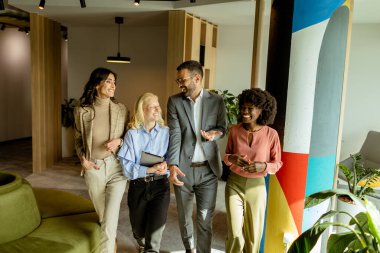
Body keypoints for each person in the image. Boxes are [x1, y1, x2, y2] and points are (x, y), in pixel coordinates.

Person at [167, 60, 227, 253]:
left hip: (208, 171)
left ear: (197, 78)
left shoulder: (217, 101)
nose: (179, 84)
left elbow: (222, 128)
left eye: (182, 80)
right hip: (183, 170)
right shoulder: (174, 101)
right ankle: (189, 249)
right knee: (184, 218)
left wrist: (215, 134)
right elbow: (175, 135)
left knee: (204, 219)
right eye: (178, 81)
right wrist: (172, 164)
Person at [74, 67, 127, 253]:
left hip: (117, 167)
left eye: (114, 82)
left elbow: (130, 137)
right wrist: (83, 160)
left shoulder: (121, 109)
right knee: (105, 216)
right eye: (109, 81)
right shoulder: (82, 111)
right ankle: (111, 242)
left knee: (110, 217)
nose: (113, 85)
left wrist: (120, 141)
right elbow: (78, 139)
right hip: (93, 166)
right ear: (97, 85)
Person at [223, 88, 283, 253]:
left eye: (250, 108)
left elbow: (277, 164)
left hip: (257, 187)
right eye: (243, 107)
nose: (245, 111)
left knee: (253, 237)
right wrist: (231, 158)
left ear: (261, 110)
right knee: (234, 233)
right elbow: (226, 156)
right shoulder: (234, 130)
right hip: (234, 183)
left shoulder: (271, 134)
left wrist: (263, 166)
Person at [117, 92, 170, 253]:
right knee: (139, 230)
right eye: (153, 106)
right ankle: (141, 241)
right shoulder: (132, 134)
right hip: (138, 186)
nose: (158, 109)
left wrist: (166, 165)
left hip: (161, 186)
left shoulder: (166, 132)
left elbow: (172, 157)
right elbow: (126, 168)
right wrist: (149, 169)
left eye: (158, 106)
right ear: (142, 110)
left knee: (154, 236)